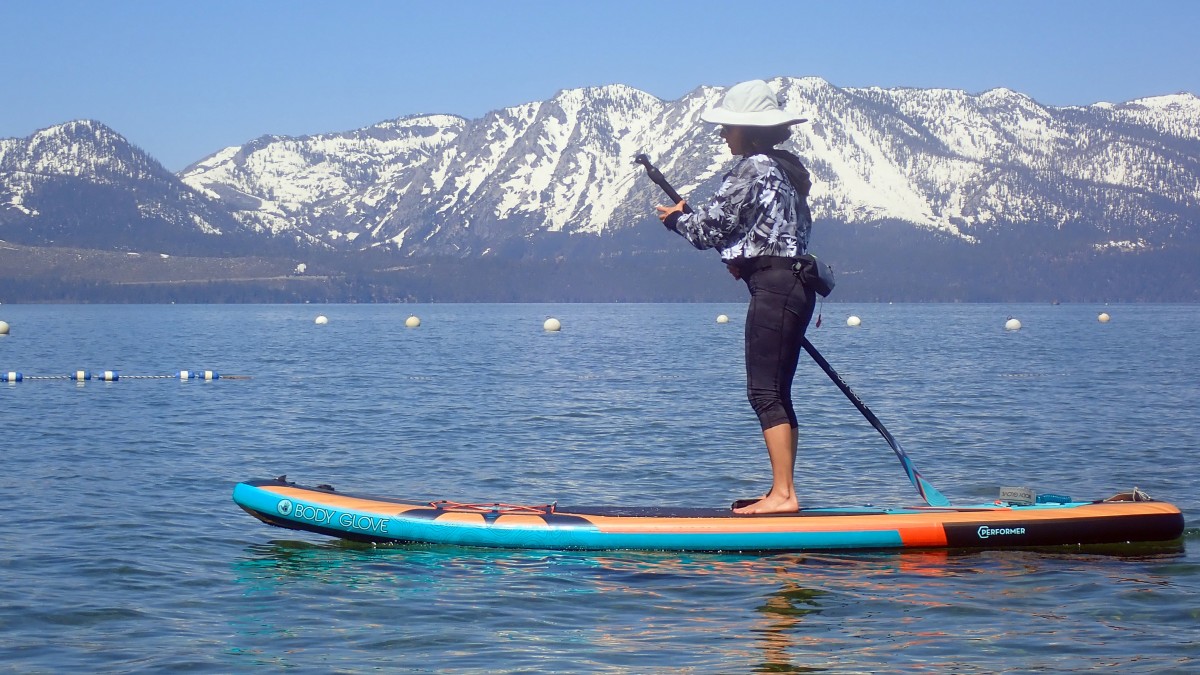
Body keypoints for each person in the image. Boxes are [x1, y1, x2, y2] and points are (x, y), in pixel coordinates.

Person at [655, 79, 815, 515]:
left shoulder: (752, 169)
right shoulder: (786, 171)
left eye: (727, 127)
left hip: (776, 289)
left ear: (748, 129)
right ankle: (781, 490)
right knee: (777, 391)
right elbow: (780, 234)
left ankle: (783, 495)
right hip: (794, 285)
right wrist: (746, 260)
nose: (723, 134)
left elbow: (709, 230)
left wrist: (676, 221)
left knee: (764, 392)